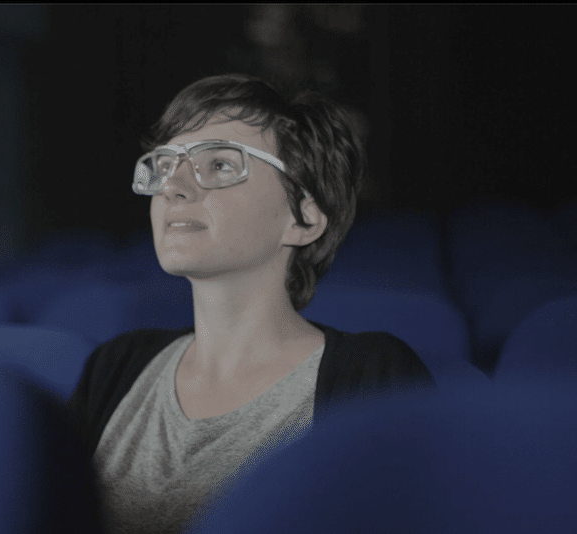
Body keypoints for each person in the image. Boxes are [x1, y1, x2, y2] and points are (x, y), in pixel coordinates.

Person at [67, 72, 435, 533]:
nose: (173, 186)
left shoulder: (374, 377)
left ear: (303, 218)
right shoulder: (113, 367)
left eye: (220, 164)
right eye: (166, 165)